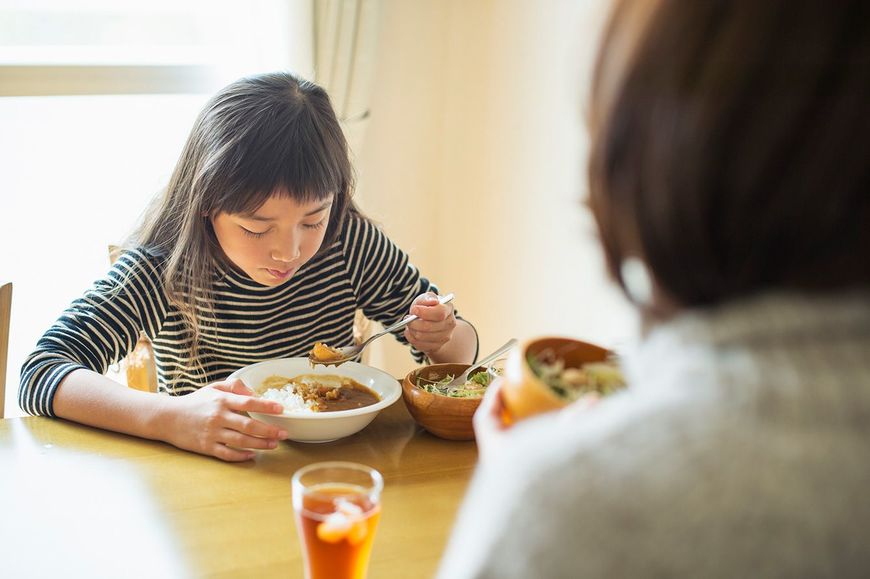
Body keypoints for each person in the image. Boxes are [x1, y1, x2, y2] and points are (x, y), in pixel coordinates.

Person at [438, 0, 870, 576]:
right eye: (267, 225)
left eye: (314, 220)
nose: (287, 246)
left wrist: (535, 472)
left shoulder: (567, 507)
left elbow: (461, 348)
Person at [19, 72, 478, 462]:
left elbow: (458, 361)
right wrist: (167, 417)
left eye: (312, 220)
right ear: (205, 205)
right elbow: (41, 371)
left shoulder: (348, 242)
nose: (289, 251)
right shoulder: (165, 269)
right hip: (214, 473)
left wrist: (443, 335)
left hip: (335, 469)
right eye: (257, 229)